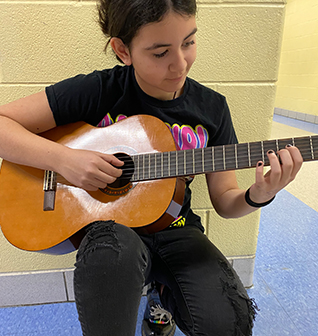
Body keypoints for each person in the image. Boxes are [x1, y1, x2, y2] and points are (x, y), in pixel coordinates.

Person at [0, 0, 303, 335]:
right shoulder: (98, 90)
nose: (180, 64)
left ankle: (161, 295)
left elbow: (226, 201)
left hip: (177, 226)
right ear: (122, 50)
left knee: (229, 322)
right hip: (110, 233)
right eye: (160, 53)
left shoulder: (213, 109)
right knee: (110, 261)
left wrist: (259, 194)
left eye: (189, 42)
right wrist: (65, 160)